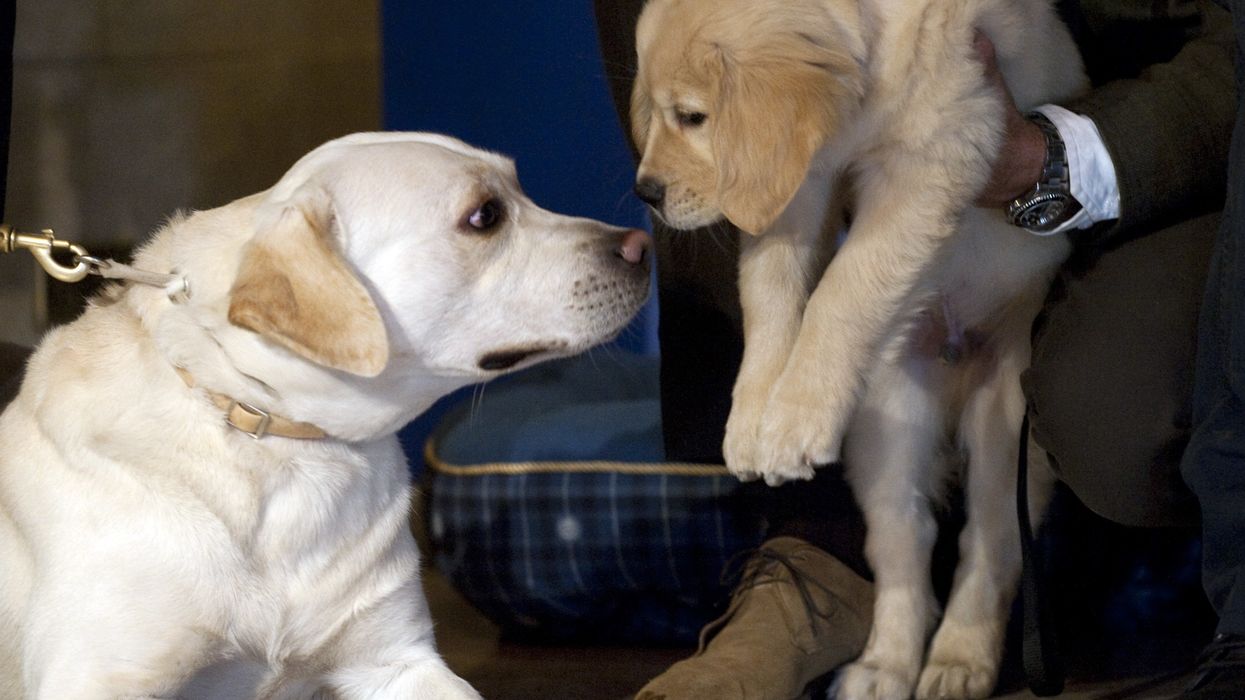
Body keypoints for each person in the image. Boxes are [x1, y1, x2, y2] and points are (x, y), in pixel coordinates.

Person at [591, 0, 1243, 697]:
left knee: (1082, 422)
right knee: (883, 419)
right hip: (852, 163)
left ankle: (984, 597)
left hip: (1079, 193)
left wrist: (1054, 159)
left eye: (686, 118)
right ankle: (823, 566)